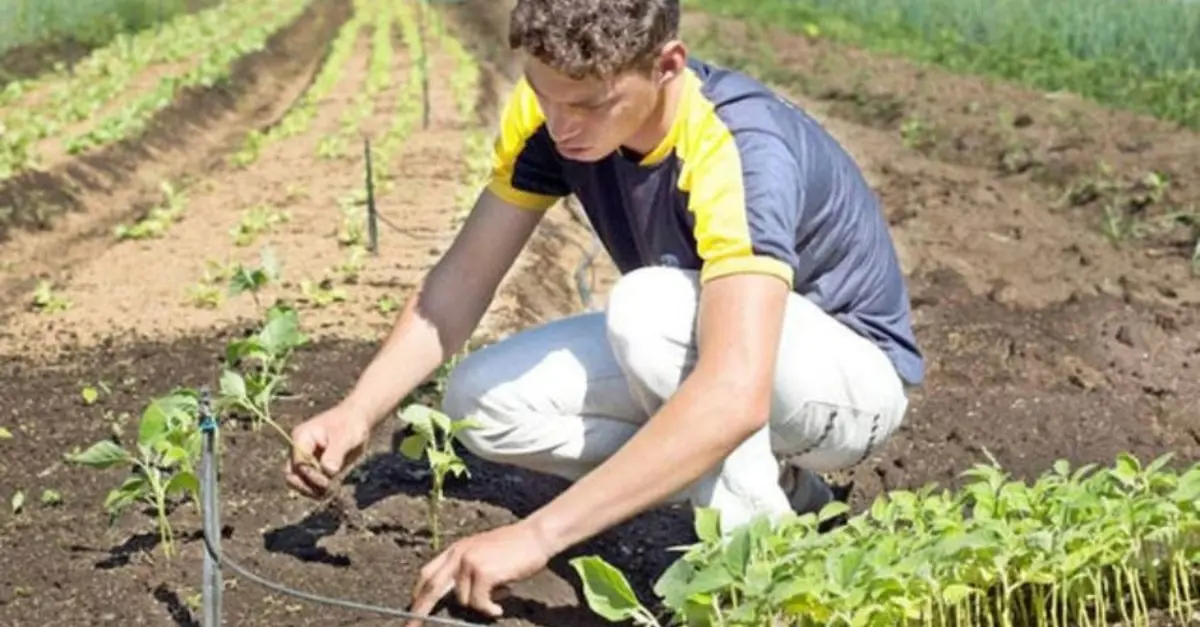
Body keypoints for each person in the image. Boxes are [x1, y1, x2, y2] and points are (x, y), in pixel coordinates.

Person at [284, 0, 924, 623]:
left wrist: (538, 537)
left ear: (667, 65)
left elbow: (737, 392)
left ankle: (771, 578)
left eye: (590, 104)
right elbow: (461, 281)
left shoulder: (735, 147)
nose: (563, 125)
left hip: (847, 385)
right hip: (721, 350)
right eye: (547, 94)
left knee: (650, 306)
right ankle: (785, 496)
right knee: (479, 402)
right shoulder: (550, 113)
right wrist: (358, 409)